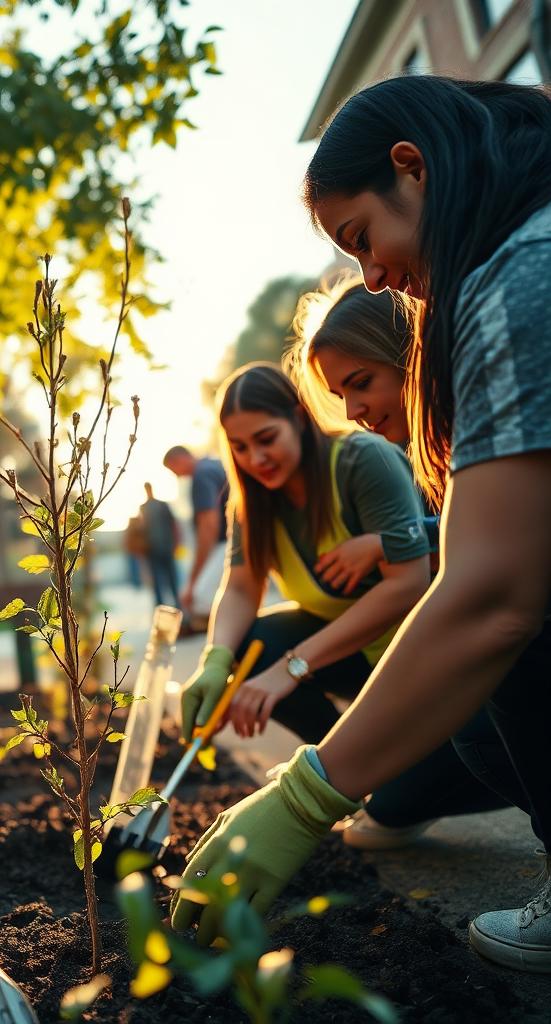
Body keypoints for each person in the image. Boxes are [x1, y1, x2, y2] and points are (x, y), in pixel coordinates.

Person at [171, 76, 551, 975]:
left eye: (361, 240)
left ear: (411, 172)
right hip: (393, 675)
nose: (372, 276)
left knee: (501, 675)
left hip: (423, 662)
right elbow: (241, 584)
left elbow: (486, 594)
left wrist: (304, 797)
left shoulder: (520, 274)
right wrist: (228, 660)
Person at [290, 277, 510, 849]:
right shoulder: (423, 450)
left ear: (413, 355)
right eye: (341, 397)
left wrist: (394, 542)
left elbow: (496, 531)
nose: (354, 411)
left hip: (510, 651)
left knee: (478, 722)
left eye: (361, 384)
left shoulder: (475, 430)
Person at [179, 362, 430, 752]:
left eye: (266, 438)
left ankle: (381, 759)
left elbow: (409, 585)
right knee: (245, 645)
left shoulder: (363, 460)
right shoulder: (252, 501)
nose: (255, 458)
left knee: (401, 808)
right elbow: (242, 589)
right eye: (240, 447)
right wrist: (214, 661)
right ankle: (343, 760)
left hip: (417, 653)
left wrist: (292, 666)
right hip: (348, 654)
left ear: (298, 417)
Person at [163, 445, 229, 627]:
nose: (176, 476)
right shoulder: (215, 465)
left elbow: (209, 525)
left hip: (229, 541)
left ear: (180, 460)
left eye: (173, 470)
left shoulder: (201, 475)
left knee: (198, 598)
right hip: (237, 537)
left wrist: (192, 582)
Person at [140, 482, 181, 607]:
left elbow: (173, 524)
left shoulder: (161, 505)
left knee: (172, 580)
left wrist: (176, 542)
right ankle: (162, 608)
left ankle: (178, 606)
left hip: (166, 547)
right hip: (152, 549)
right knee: (159, 582)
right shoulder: (144, 507)